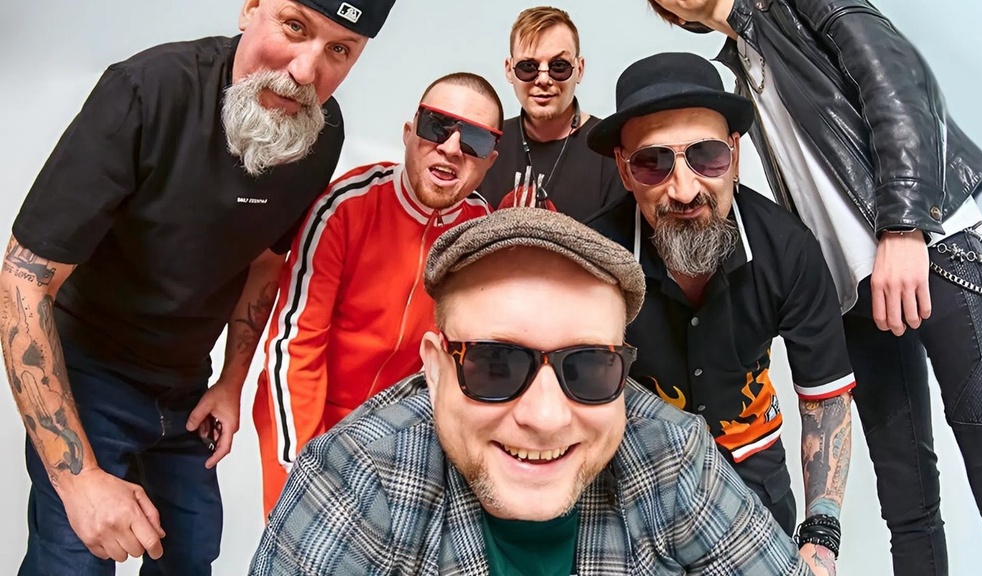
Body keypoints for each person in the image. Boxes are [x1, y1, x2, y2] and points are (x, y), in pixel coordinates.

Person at [0, 0, 394, 573]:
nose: (306, 71)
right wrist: (79, 479)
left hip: (186, 385)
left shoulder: (318, 130)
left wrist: (231, 382)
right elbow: (22, 282)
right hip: (89, 376)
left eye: (339, 50)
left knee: (191, 554)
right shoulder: (147, 90)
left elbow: (266, 263)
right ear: (251, 8)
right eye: (294, 27)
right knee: (73, 563)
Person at [644, 1, 982, 574]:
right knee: (908, 506)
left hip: (928, 248)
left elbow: (896, 76)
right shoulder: (744, 65)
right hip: (852, 287)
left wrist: (904, 226)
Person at [248, 207, 814, 575]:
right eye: (496, 366)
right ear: (434, 369)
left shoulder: (672, 453)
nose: (545, 417)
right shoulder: (360, 473)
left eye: (588, 368)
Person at [586, 52, 855, 575]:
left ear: (734, 153)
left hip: (754, 485)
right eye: (652, 163)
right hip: (631, 488)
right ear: (623, 169)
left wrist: (821, 540)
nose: (684, 190)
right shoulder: (592, 259)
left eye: (706, 157)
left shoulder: (789, 251)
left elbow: (825, 397)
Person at [253, 72, 498, 515]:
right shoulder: (345, 206)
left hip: (402, 435)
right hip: (310, 417)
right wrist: (303, 472)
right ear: (408, 132)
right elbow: (295, 344)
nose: (450, 148)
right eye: (437, 126)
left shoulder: (483, 230)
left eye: (475, 140)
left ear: (489, 161)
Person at [476, 6, 627, 221]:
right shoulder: (486, 143)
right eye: (528, 67)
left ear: (579, 69)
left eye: (559, 66)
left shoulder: (610, 149)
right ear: (509, 70)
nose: (544, 79)